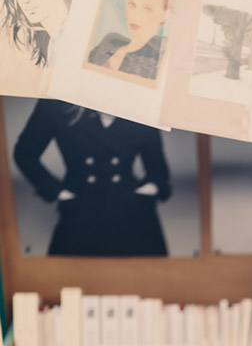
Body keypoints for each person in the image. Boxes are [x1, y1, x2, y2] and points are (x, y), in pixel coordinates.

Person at [13, 99, 171, 256]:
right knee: (71, 278)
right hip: (81, 207)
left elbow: (157, 168)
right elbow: (25, 154)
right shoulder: (57, 105)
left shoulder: (143, 104)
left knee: (146, 278)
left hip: (132, 212)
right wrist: (57, 191)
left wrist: (149, 189)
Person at [87, 0, 171, 82]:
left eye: (147, 9)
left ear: (165, 14)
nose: (135, 16)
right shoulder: (110, 40)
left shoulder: (160, 60)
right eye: (131, 5)